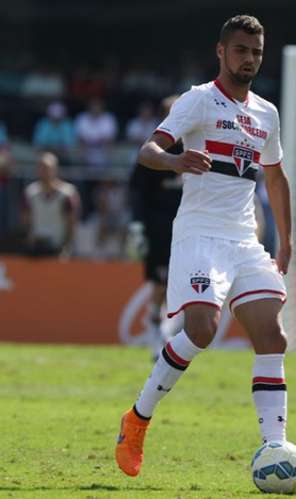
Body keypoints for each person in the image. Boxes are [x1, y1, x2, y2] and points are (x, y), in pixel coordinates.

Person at [115, 15, 296, 481]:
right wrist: (174, 161)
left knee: (272, 336)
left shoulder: (266, 114)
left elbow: (275, 177)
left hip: (244, 239)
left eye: (255, 51)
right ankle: (137, 420)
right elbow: (147, 151)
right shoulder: (198, 100)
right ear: (221, 52)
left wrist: (285, 240)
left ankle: (276, 450)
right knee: (203, 329)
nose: (248, 58)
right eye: (240, 50)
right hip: (200, 234)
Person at [128, 95, 184, 358]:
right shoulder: (153, 150)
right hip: (160, 227)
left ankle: (171, 335)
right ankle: (156, 336)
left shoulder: (201, 144)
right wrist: (138, 225)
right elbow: (137, 190)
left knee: (185, 284)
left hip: (190, 228)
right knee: (160, 283)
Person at [22, 152, 80, 258]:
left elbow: (72, 222)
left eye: (46, 168)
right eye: (41, 168)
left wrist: (68, 246)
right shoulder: (31, 192)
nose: (43, 172)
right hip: (36, 247)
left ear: (55, 169)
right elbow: (26, 219)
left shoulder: (67, 193)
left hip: (58, 247)